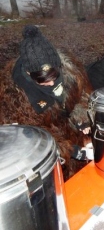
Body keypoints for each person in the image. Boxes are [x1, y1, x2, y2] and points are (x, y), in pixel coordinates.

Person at [0, 25, 93, 180]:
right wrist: (68, 151)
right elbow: (30, 139)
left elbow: (82, 96)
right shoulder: (13, 98)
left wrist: (82, 117)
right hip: (52, 155)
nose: (51, 84)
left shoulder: (71, 72)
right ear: (28, 73)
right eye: (43, 80)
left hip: (73, 136)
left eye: (54, 78)